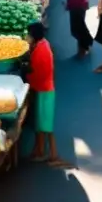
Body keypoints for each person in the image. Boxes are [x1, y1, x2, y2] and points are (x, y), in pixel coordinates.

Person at [25, 22, 67, 166]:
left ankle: (44, 153)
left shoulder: (40, 51)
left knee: (44, 126)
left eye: (29, 34)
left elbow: (37, 73)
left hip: (44, 91)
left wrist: (27, 75)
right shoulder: (43, 44)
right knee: (43, 125)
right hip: (45, 89)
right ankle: (44, 152)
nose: (27, 37)